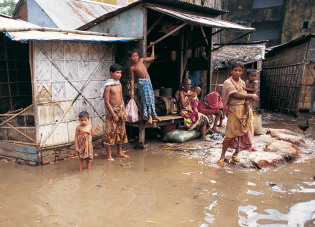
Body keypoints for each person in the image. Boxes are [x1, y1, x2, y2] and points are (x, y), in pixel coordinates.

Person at [217, 62, 259, 166]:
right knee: (230, 133)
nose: (237, 72)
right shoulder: (228, 82)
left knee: (244, 133)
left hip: (245, 110)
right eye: (235, 70)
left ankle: (236, 153)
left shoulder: (243, 82)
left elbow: (245, 94)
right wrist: (250, 96)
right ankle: (222, 155)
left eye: (240, 70)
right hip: (234, 111)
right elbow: (236, 94)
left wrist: (250, 97)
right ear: (231, 71)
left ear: (242, 72)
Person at [103, 64, 129, 161]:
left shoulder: (119, 84)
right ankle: (108, 155)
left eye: (120, 72)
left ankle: (119, 152)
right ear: (111, 73)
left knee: (121, 131)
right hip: (111, 111)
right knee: (110, 132)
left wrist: (124, 112)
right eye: (117, 72)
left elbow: (122, 99)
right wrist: (113, 114)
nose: (119, 75)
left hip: (120, 110)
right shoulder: (108, 86)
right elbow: (106, 102)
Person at [129, 44, 161, 124]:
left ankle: (154, 115)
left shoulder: (141, 60)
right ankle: (149, 116)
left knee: (151, 98)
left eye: (136, 55)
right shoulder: (132, 68)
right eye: (133, 56)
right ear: (130, 58)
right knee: (146, 99)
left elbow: (152, 58)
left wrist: (153, 47)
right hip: (142, 83)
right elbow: (132, 80)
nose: (135, 57)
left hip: (148, 80)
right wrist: (132, 91)